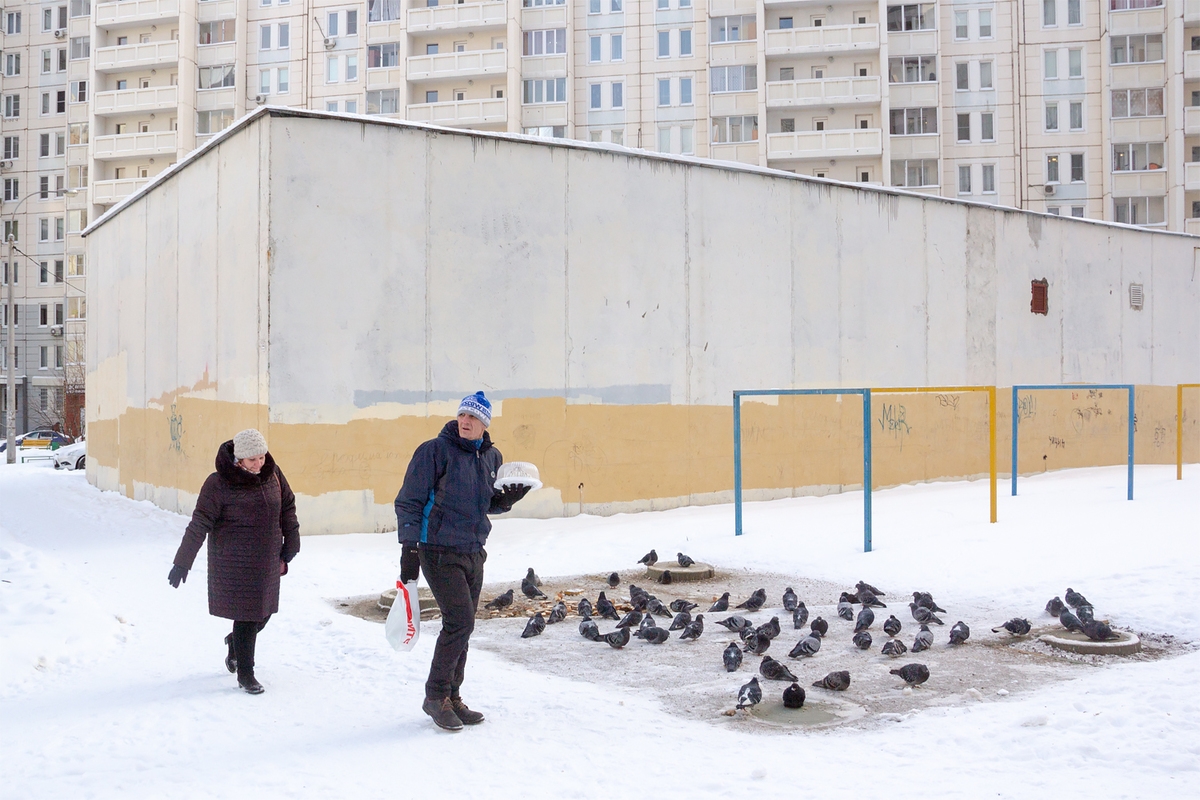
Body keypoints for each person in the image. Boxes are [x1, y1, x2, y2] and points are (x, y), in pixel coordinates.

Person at [395, 391, 530, 731]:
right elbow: (409, 501)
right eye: (462, 417)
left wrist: (508, 499)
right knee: (460, 622)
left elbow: (487, 503)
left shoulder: (491, 456)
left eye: (473, 418)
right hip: (437, 548)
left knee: (464, 627)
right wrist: (409, 549)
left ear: (485, 424)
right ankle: (435, 695)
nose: (466, 422)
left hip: (473, 549)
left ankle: (453, 696)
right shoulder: (434, 451)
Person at [168, 429, 300, 695]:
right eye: (252, 459)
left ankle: (235, 644)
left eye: (261, 457)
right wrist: (183, 561)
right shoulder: (218, 484)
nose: (258, 464)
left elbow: (287, 505)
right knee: (248, 616)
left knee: (264, 613)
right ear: (238, 459)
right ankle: (246, 674)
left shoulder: (273, 475)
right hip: (234, 561)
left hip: (267, 559)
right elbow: (200, 522)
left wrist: (291, 544)